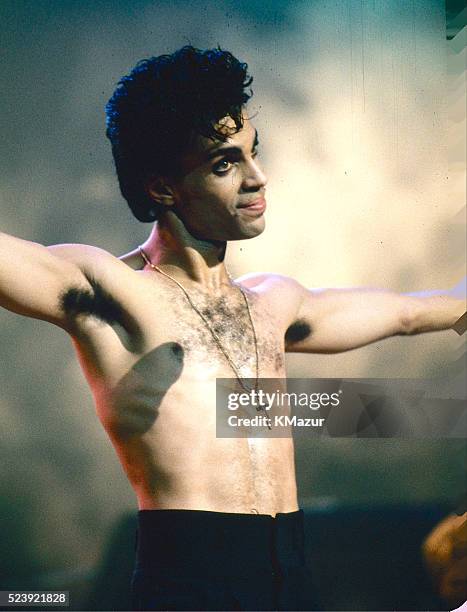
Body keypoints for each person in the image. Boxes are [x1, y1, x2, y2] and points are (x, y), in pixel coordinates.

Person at [0, 45, 465, 611]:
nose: (258, 178)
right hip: (190, 582)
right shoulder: (110, 289)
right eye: (225, 163)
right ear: (162, 187)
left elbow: (413, 311)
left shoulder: (274, 301)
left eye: (253, 153)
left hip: (291, 578)